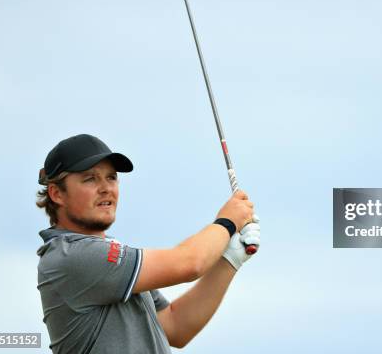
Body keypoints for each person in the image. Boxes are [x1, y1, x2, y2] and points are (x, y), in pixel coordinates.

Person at [35, 134, 260, 353]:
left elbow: (175, 326)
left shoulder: (110, 257)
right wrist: (228, 222)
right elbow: (190, 263)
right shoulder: (73, 256)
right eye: (90, 178)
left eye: (111, 177)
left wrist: (229, 260)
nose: (106, 188)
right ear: (57, 194)